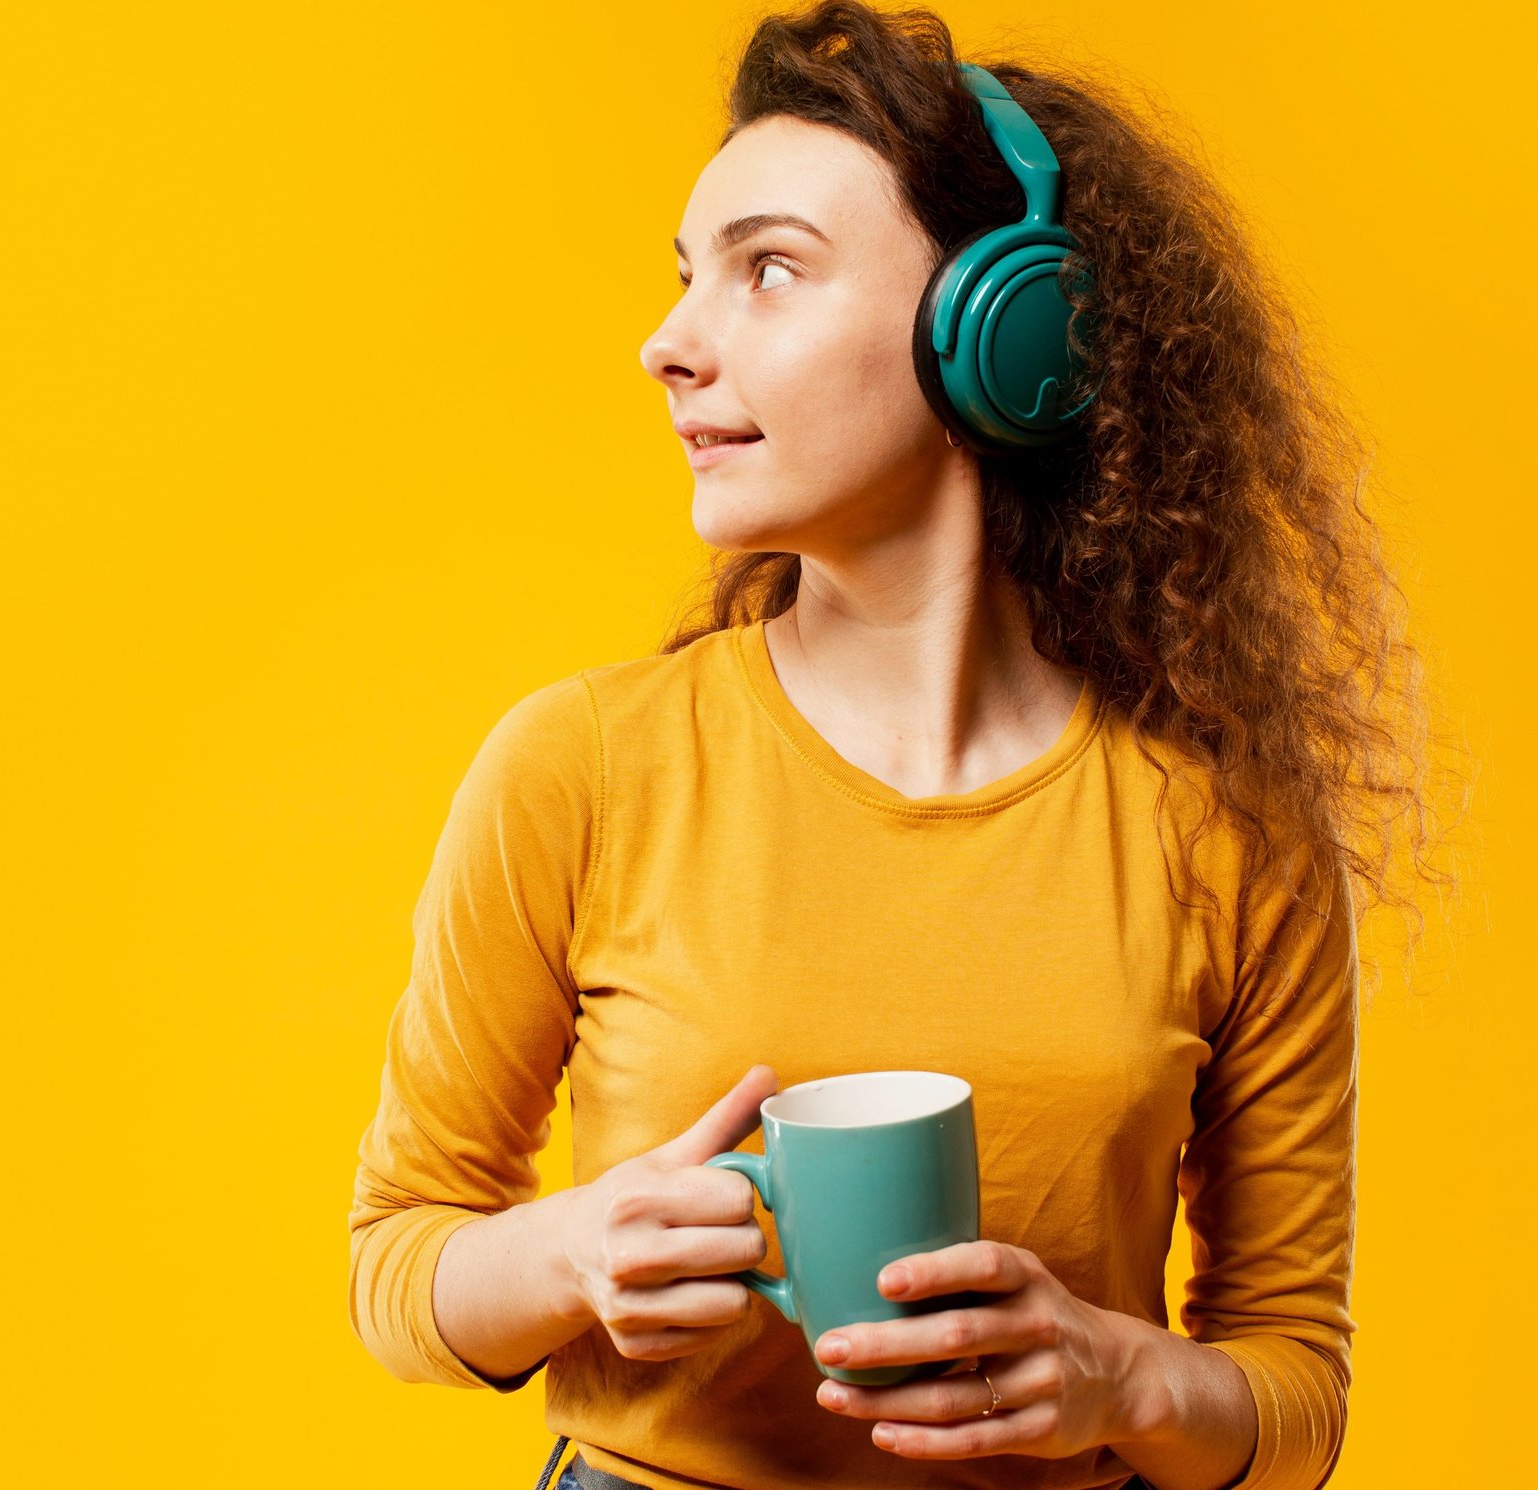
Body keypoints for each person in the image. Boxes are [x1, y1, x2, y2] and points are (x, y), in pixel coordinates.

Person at [347, 5, 1460, 1489]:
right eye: (689, 280)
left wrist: (1122, 1372)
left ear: (998, 329)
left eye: (770, 270)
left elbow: (1292, 1388)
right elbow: (398, 1259)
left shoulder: (1226, 834)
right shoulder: (582, 768)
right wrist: (569, 1250)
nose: (669, 345)